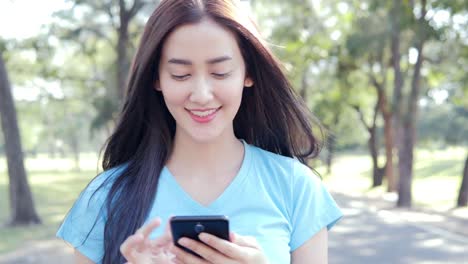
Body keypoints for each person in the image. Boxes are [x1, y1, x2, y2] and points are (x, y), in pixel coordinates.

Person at [56, 0, 343, 263]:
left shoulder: (296, 188)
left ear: (248, 73)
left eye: (220, 72)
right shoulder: (106, 196)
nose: (202, 95)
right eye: (181, 75)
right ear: (156, 78)